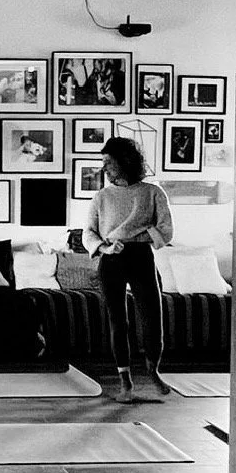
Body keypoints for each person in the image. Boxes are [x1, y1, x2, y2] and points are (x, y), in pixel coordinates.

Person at [83, 136, 174, 402]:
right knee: (117, 321)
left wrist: (142, 234)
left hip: (141, 257)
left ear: (125, 162)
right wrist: (104, 248)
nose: (104, 169)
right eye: (103, 163)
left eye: (109, 163)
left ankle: (153, 371)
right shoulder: (101, 197)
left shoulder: (153, 192)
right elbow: (88, 232)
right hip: (111, 259)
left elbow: (166, 231)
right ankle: (125, 382)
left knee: (152, 317)